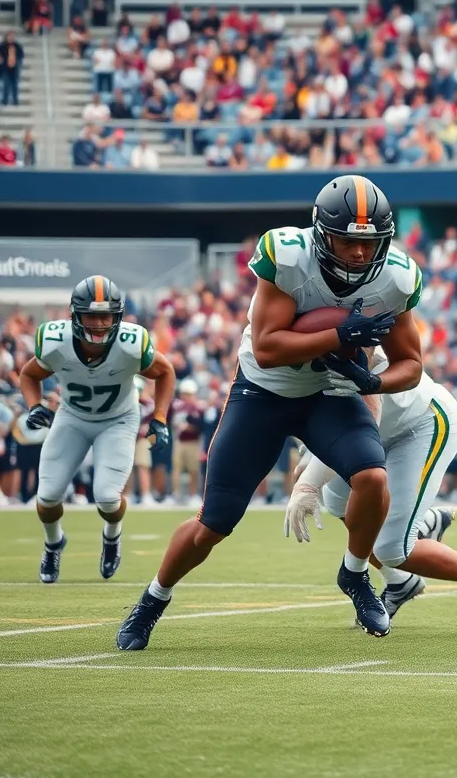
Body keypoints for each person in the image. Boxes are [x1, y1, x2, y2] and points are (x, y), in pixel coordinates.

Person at [117, 175, 421, 650]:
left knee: (372, 477)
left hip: (330, 393)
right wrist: (343, 335)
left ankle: (355, 574)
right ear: (323, 234)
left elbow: (413, 365)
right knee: (213, 523)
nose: (360, 254)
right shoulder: (286, 256)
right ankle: (153, 600)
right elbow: (269, 347)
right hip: (264, 390)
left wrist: (373, 382)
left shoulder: (396, 278)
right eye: (348, 240)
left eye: (370, 242)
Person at [285, 345, 457, 636]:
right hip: (370, 430)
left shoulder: (346, 338)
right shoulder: (283, 349)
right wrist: (309, 451)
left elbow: (366, 415)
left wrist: (308, 481)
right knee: (338, 502)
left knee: (391, 547)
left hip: (419, 423)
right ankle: (400, 580)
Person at [19, 276, 176, 583]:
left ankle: (112, 536)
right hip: (72, 417)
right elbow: (28, 374)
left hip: (118, 419)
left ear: (117, 316)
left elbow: (165, 371)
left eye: (106, 315)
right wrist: (34, 405)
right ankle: (54, 543)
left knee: (106, 497)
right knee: (48, 495)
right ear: (75, 315)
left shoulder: (131, 344)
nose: (100, 323)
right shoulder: (55, 340)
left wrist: (160, 416)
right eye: (92, 315)